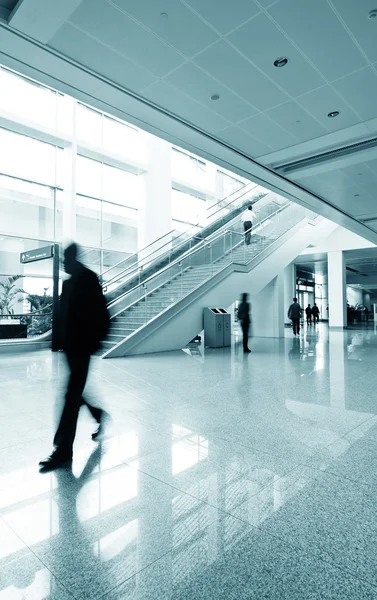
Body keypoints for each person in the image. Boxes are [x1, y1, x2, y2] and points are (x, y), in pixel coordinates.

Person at [39, 243, 110, 471]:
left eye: (65, 258)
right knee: (74, 393)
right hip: (70, 347)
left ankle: (62, 450)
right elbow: (63, 313)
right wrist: (58, 342)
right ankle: (99, 415)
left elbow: (101, 311)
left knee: (70, 396)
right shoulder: (68, 281)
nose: (62, 262)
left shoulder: (88, 278)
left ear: (73, 258)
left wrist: (95, 340)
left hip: (83, 346)